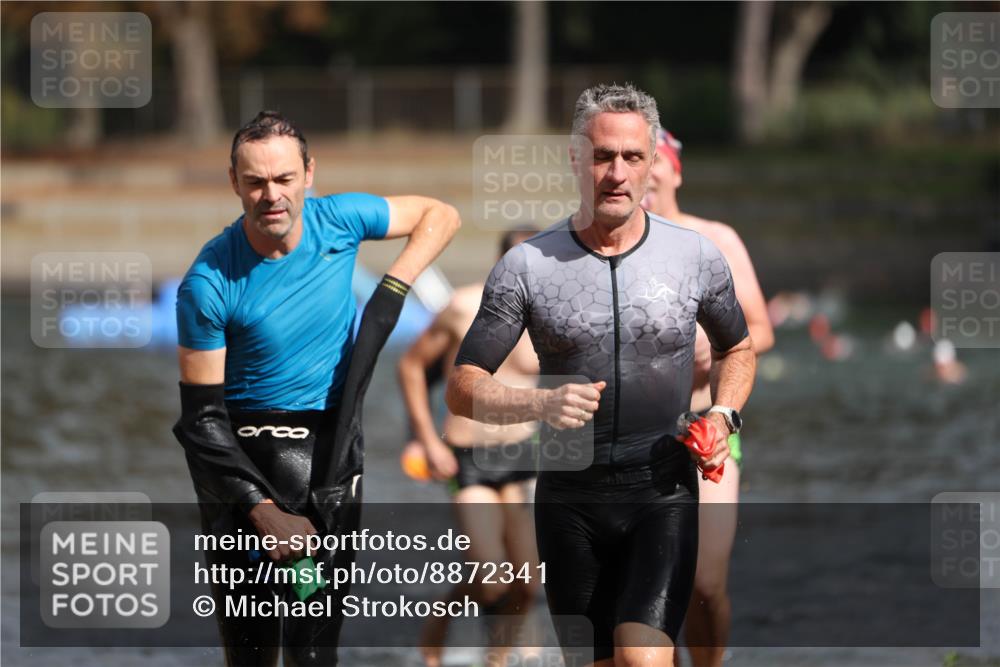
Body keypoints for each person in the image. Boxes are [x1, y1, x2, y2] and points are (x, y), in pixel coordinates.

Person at [446, 84, 757, 667]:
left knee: (643, 658)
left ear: (652, 163)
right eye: (602, 156)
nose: (617, 172)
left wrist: (722, 413)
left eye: (632, 157)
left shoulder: (694, 257)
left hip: (661, 491)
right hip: (570, 499)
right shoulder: (527, 266)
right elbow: (463, 386)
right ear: (575, 159)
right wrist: (536, 406)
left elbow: (737, 349)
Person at [173, 110, 460, 667]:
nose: (270, 196)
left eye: (283, 179)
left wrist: (393, 288)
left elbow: (439, 214)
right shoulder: (208, 281)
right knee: (252, 654)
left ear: (309, 174)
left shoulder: (340, 219)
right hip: (243, 476)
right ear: (235, 183)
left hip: (331, 465)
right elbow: (201, 422)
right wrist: (263, 511)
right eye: (255, 182)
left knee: (314, 653)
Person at [643, 129, 774, 667]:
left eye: (653, 161)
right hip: (640, 433)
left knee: (706, 581)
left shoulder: (715, 237)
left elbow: (761, 330)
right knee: (650, 584)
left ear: (675, 170)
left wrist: (711, 350)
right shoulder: (616, 242)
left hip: (708, 427)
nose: (641, 172)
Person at [398, 226, 541, 667]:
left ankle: (496, 659)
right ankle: (437, 623)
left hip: (524, 454)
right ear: (501, 264)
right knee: (492, 573)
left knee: (529, 584)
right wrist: (424, 439)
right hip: (468, 456)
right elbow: (410, 367)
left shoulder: (552, 316)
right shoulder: (463, 307)